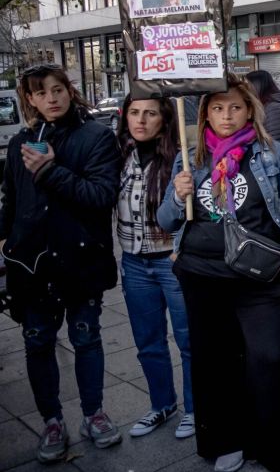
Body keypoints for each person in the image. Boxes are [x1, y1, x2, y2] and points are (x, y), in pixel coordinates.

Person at [158, 73, 280, 472]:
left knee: (270, 359)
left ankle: (279, 447)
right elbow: (166, 221)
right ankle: (226, 440)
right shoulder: (189, 158)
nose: (227, 115)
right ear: (206, 113)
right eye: (218, 108)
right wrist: (178, 194)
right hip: (202, 279)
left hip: (260, 281)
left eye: (236, 107)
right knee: (215, 363)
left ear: (250, 111)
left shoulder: (272, 154)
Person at [3, 64, 124, 462]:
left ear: (69, 91)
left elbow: (100, 196)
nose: (51, 98)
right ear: (31, 100)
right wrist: (6, 244)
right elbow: (12, 200)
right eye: (41, 93)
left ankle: (94, 413)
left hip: (81, 259)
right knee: (37, 342)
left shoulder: (96, 137)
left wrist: (50, 171)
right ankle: (51, 420)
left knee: (86, 337)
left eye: (58, 89)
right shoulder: (22, 140)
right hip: (33, 266)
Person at [115, 95, 195, 440]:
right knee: (148, 341)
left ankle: (195, 409)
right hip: (133, 260)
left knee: (188, 339)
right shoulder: (118, 155)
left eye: (150, 113)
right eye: (134, 113)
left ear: (164, 119)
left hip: (171, 259)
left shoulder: (180, 157)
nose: (141, 120)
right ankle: (161, 404)